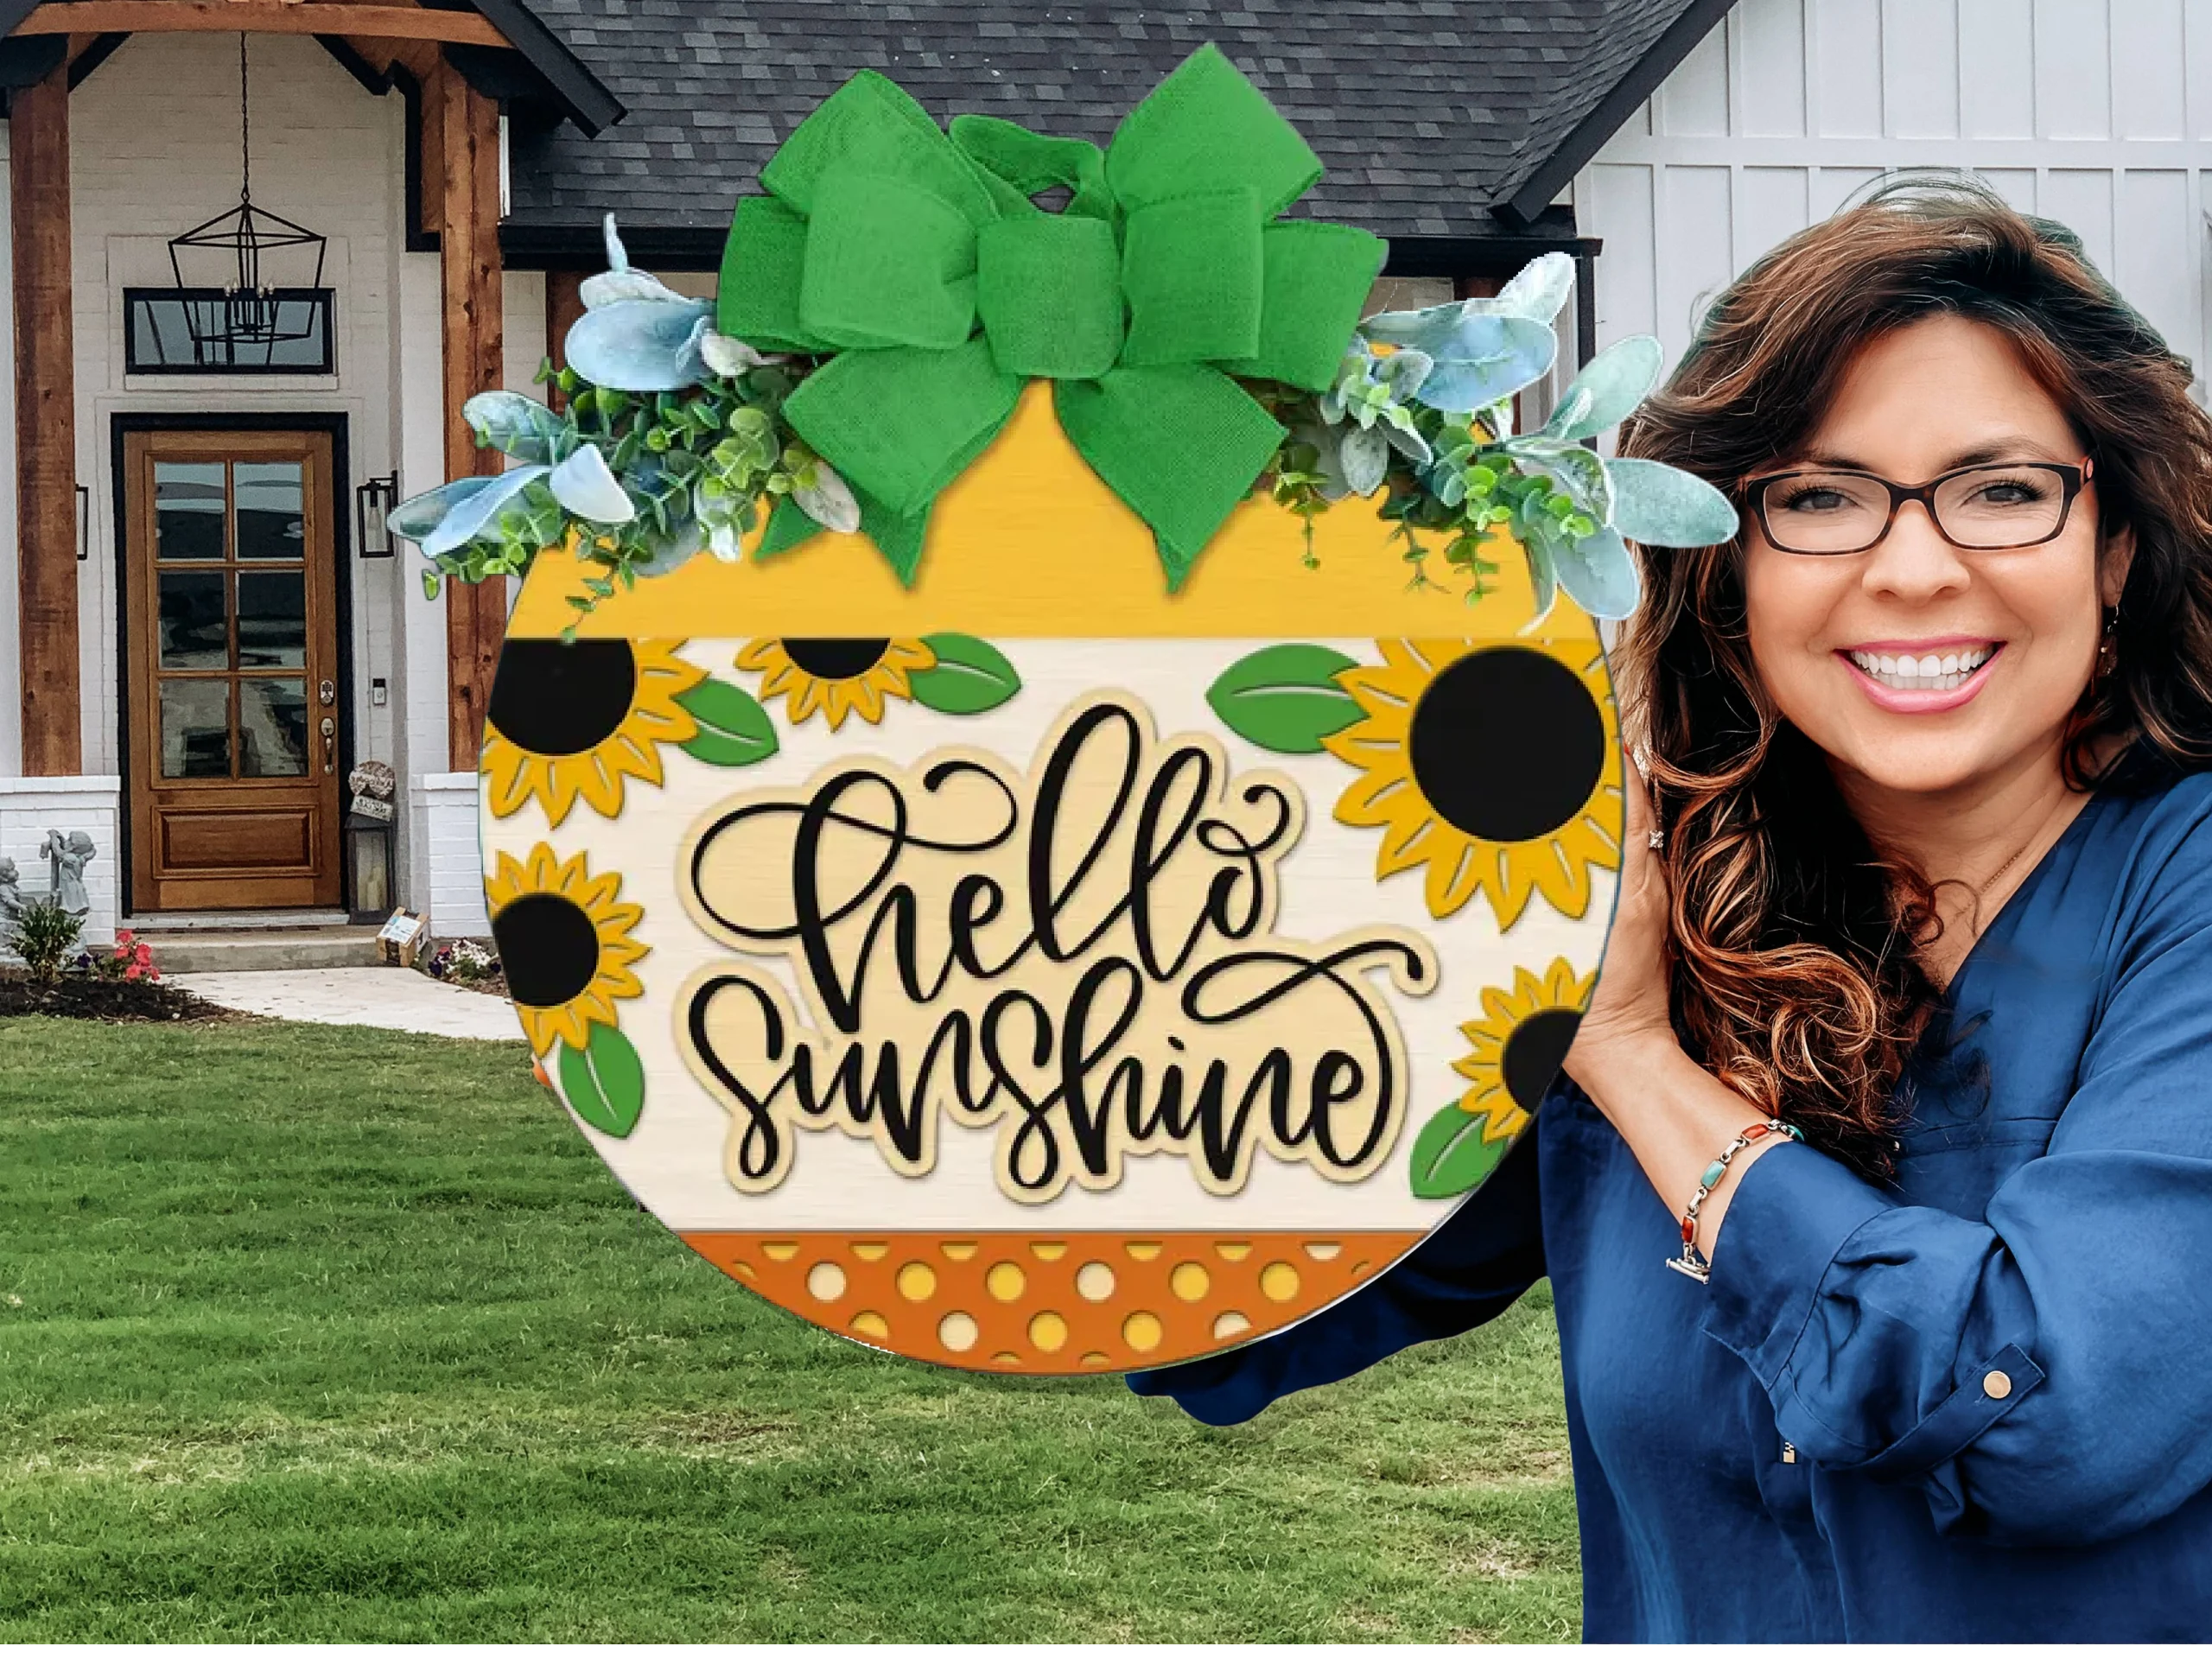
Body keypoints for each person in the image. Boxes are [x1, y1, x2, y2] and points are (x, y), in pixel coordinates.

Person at [1130, 176, 2212, 1642]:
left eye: (2002, 489)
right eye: (1819, 498)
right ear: (1729, 568)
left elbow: (2055, 1416)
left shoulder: (2180, 893)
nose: (1911, 567)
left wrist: (1639, 1058)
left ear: (2119, 544)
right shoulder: (1641, 893)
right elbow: (1241, 1292)